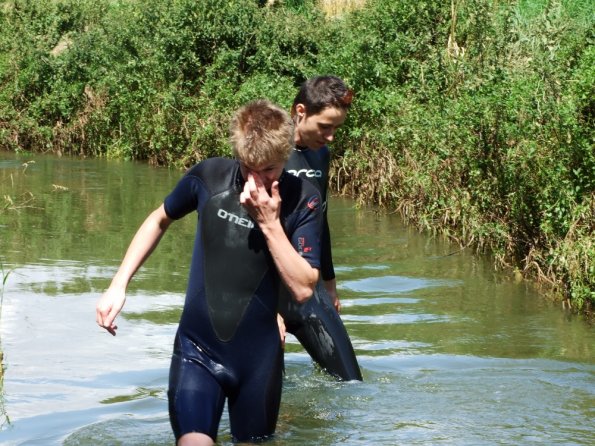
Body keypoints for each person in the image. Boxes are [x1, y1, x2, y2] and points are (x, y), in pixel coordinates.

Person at [96, 99, 323, 445]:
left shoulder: (303, 199)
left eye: (270, 171)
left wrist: (270, 224)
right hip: (197, 349)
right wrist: (118, 284)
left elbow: (305, 287)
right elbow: (159, 218)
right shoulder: (209, 178)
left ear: (287, 155)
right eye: (250, 169)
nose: (257, 181)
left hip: (259, 360)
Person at [277, 75, 363, 381]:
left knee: (350, 381)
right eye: (325, 126)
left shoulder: (320, 154)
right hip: (266, 290)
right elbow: (250, 232)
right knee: (270, 395)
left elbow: (320, 221)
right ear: (301, 111)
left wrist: (330, 283)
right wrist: (266, 307)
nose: (330, 137)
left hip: (309, 285)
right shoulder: (267, 152)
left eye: (336, 128)